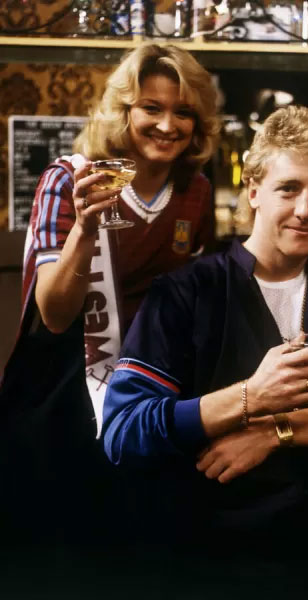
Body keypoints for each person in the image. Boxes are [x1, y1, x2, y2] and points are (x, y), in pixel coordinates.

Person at [101, 105, 308, 599]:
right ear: (253, 190)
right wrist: (250, 396)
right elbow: (124, 431)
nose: (305, 209)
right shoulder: (186, 294)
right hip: (209, 568)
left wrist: (279, 432)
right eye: (288, 188)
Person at [0, 43, 219, 568]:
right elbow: (54, 315)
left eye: (183, 112)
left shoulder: (196, 191)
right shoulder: (70, 179)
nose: (168, 124)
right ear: (123, 111)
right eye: (152, 108)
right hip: (66, 387)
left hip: (152, 381)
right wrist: (84, 229)